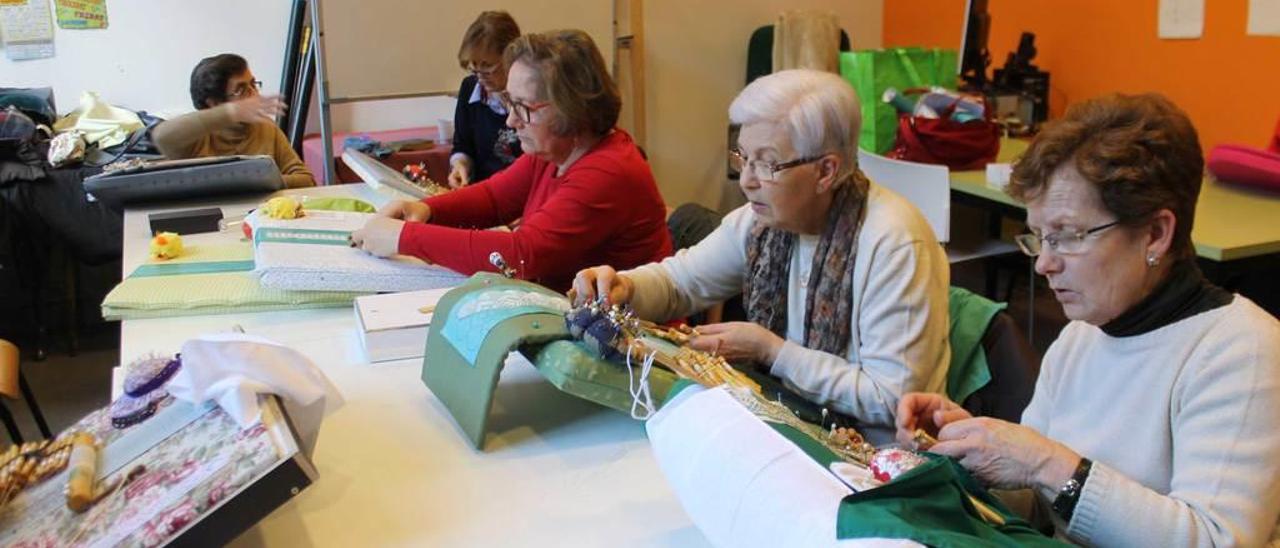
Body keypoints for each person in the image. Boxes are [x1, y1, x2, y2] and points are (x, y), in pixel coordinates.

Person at [895, 94, 1280, 545]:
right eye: (1040, 237)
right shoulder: (1079, 337)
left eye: (1068, 236)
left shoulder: (1241, 350)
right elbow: (1038, 502)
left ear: (1156, 233)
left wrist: (1045, 461)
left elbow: (1217, 540)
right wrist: (973, 450)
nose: (1043, 264)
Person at [572, 69, 950, 445]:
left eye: (767, 164)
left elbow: (891, 400)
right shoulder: (760, 223)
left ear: (826, 171)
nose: (748, 180)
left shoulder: (893, 243)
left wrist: (771, 352)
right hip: (789, 421)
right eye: (744, 158)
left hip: (875, 458)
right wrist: (626, 285)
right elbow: (679, 282)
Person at [350, 30, 671, 293]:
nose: (511, 121)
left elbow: (522, 254)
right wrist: (427, 210)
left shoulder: (607, 171)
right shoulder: (557, 150)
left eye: (523, 107)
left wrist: (403, 237)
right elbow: (494, 198)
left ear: (569, 108)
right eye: (509, 103)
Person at [153, 53, 315, 188]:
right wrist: (232, 113)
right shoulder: (196, 136)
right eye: (241, 89)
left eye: (253, 84)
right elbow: (161, 136)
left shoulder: (266, 127)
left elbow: (306, 179)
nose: (254, 94)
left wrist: (259, 181)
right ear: (214, 103)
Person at [447, 11, 523, 188]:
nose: (480, 77)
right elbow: (462, 145)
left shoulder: (529, 95)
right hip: (484, 191)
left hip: (520, 193)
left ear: (511, 58)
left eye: (487, 67)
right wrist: (460, 165)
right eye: (474, 67)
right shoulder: (470, 88)